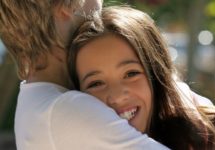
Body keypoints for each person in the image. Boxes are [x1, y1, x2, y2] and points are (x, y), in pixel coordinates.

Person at [0, 1, 171, 150]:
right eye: (95, 83)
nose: (101, 4)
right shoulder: (67, 110)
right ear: (66, 7)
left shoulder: (40, 101)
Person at [68, 6, 215, 150]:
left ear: (156, 74)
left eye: (131, 74)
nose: (117, 96)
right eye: (96, 83)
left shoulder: (209, 135)